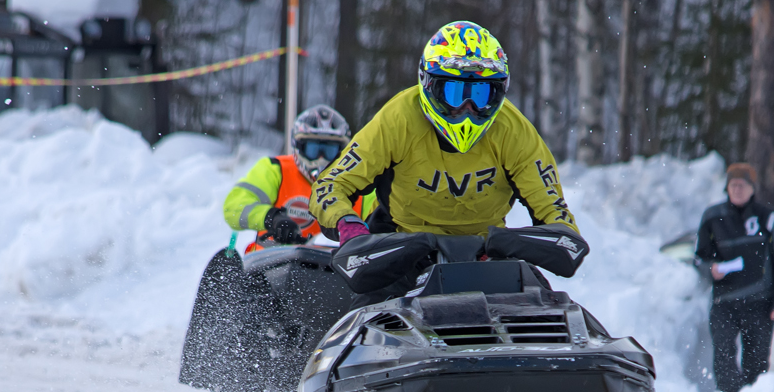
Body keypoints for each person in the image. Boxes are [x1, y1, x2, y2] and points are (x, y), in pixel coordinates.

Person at [308, 21, 581, 264]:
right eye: (453, 92)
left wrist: (548, 237)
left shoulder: (514, 131)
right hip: (400, 248)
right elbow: (331, 184)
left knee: (546, 310)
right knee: (364, 312)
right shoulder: (397, 119)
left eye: (481, 94)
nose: (467, 107)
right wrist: (347, 223)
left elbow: (555, 211)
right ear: (429, 85)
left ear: (499, 92)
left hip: (486, 254)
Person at [695, 163, 774, 392]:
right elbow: (700, 258)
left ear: (752, 189)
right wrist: (711, 269)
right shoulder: (712, 217)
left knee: (757, 363)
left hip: (760, 302)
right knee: (724, 360)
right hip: (724, 302)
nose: (737, 189)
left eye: (743, 185)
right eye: (733, 185)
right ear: (726, 188)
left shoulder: (769, 218)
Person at [223, 104, 376, 253]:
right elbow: (234, 208)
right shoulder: (275, 169)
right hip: (269, 265)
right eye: (313, 149)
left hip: (336, 271)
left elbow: (383, 220)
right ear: (299, 146)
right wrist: (271, 218)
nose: (321, 159)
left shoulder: (360, 183)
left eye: (329, 150)